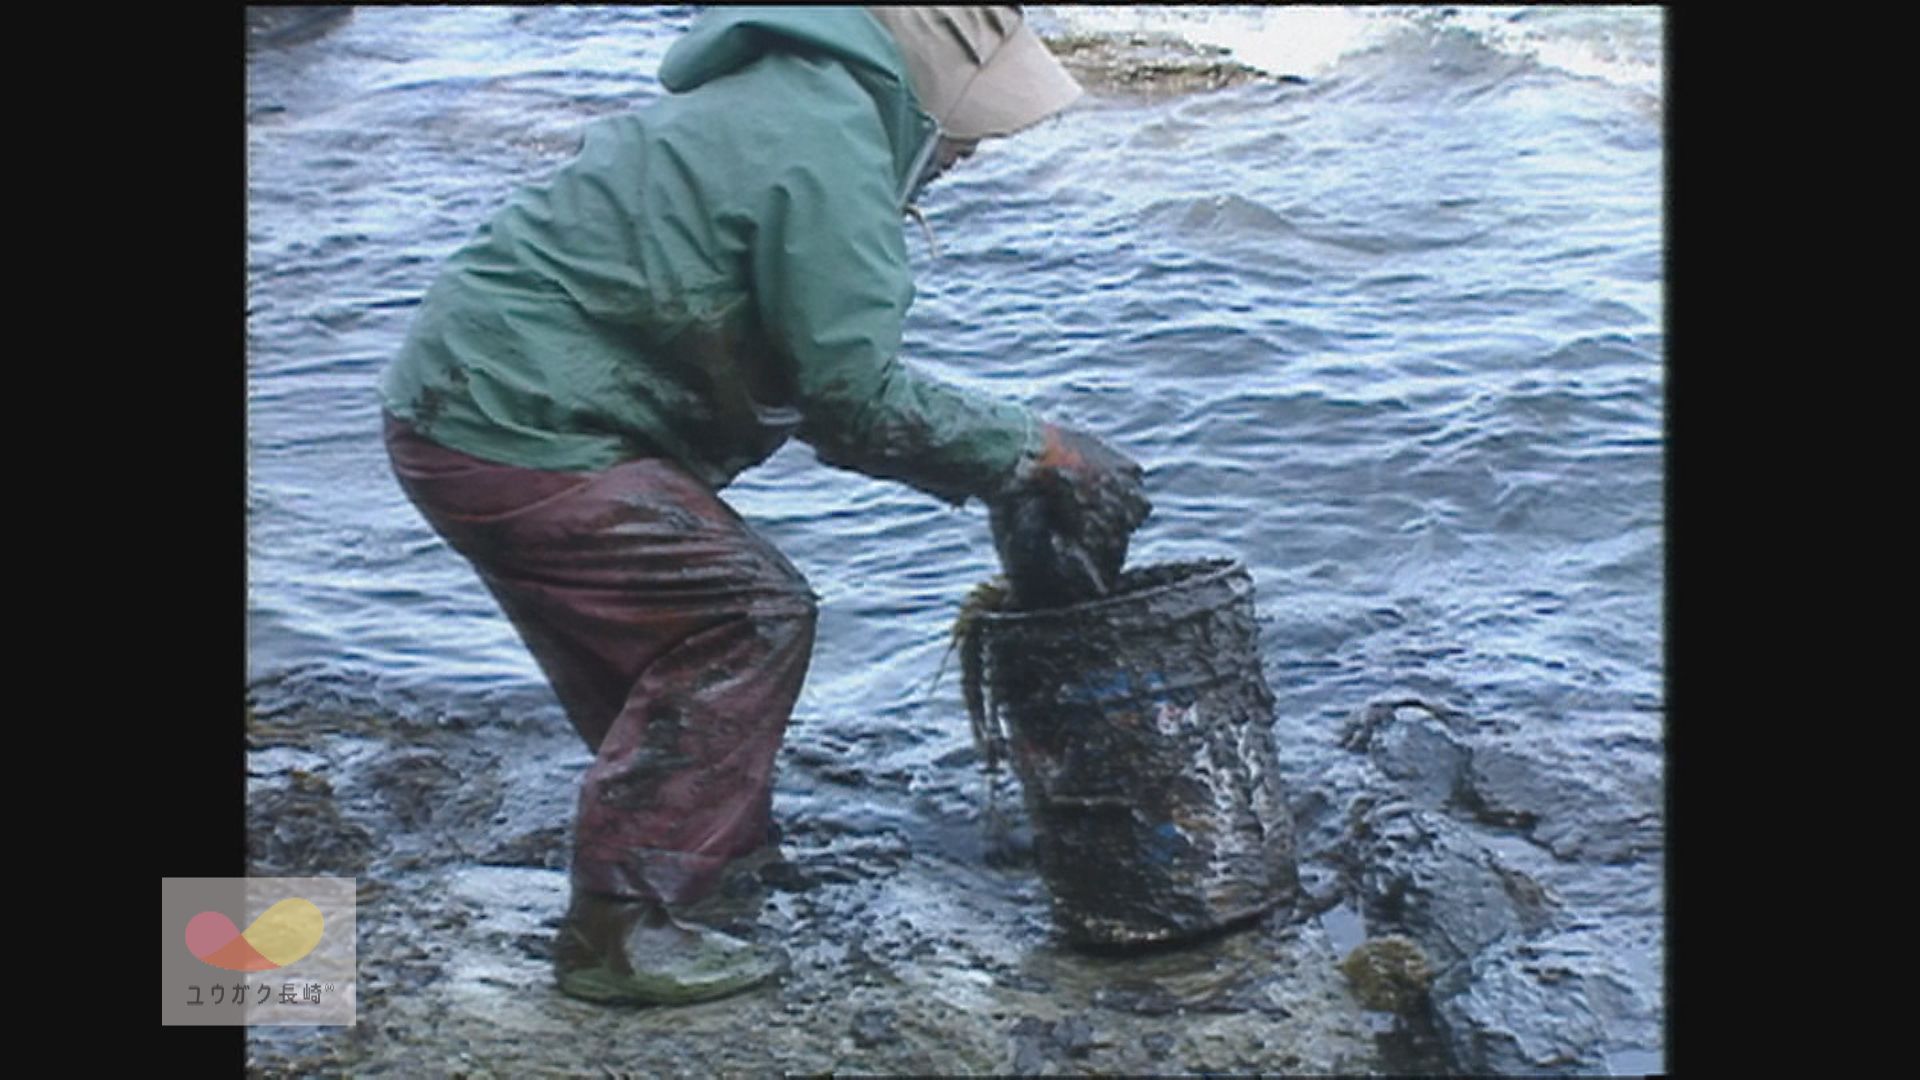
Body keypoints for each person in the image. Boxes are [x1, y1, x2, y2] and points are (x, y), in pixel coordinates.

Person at [380, 5, 1149, 1006]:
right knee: (746, 618)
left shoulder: (786, 98)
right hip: (523, 429)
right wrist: (1037, 450)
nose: (968, 154)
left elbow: (819, 377)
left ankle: (713, 869)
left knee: (648, 651)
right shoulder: (830, 147)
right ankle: (618, 931)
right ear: (928, 91)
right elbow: (855, 402)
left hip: (459, 407)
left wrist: (999, 458)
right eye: (969, 129)